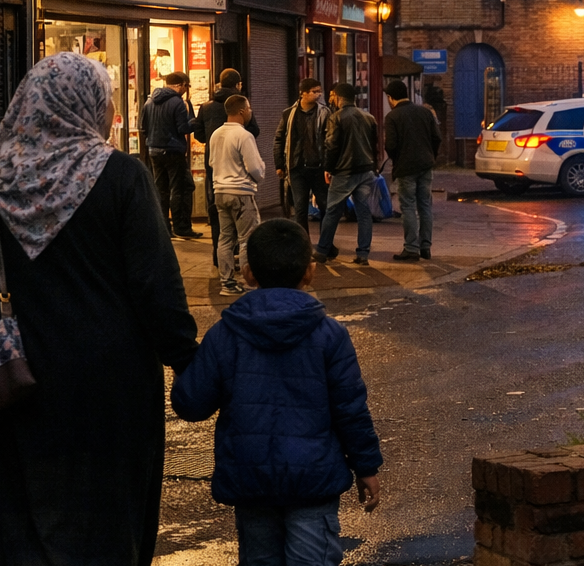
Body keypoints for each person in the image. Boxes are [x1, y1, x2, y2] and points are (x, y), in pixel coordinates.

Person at [0, 52, 198, 566]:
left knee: (20, 516)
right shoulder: (122, 175)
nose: (108, 113)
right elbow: (158, 291)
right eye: (105, 101)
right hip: (112, 385)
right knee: (105, 523)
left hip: (19, 378)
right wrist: (190, 360)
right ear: (83, 106)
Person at [171, 219, 382, 565]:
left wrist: (182, 359)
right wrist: (367, 467)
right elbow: (351, 409)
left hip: (251, 479)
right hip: (313, 481)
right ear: (310, 272)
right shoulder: (330, 336)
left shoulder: (226, 335)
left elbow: (191, 403)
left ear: (248, 273)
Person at [195, 68, 261, 264]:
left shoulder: (206, 107)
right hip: (239, 172)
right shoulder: (241, 105)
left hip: (215, 167)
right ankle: (244, 265)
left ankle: (220, 259)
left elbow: (198, 135)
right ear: (238, 84)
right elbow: (254, 130)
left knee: (218, 216)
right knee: (245, 229)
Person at [317, 83, 380, 266]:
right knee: (364, 213)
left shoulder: (336, 118)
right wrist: (374, 168)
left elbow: (332, 146)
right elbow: (375, 146)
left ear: (337, 97)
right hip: (366, 170)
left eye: (332, 96)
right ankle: (363, 254)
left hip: (345, 171)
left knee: (332, 211)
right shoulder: (369, 117)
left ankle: (322, 250)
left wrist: (328, 168)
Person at [211, 95, 266, 297]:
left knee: (225, 239)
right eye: (249, 108)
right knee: (247, 239)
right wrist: (261, 172)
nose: (251, 111)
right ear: (242, 111)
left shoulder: (216, 134)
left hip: (220, 191)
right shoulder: (244, 136)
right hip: (241, 193)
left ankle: (227, 283)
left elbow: (211, 162)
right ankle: (249, 282)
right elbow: (255, 168)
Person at [384, 79, 441, 261]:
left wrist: (397, 159)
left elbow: (390, 145)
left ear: (390, 98)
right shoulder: (424, 112)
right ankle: (426, 246)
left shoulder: (392, 117)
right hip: (425, 165)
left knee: (407, 206)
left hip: (406, 167)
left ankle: (411, 247)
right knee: (425, 205)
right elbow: (436, 138)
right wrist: (430, 156)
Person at [141, 71, 201, 238]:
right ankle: (181, 227)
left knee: (161, 190)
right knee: (178, 189)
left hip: (154, 151)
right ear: (180, 85)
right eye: (186, 86)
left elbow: (143, 128)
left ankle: (164, 228)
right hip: (173, 151)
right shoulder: (177, 103)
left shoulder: (149, 101)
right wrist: (195, 120)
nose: (186, 89)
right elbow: (183, 128)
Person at [274, 78, 331, 232]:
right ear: (303, 93)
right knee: (300, 208)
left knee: (325, 206)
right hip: (296, 167)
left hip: (318, 167)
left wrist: (329, 165)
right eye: (314, 91)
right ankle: (303, 242)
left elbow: (329, 141)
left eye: (319, 91)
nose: (318, 95)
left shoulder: (324, 112)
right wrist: (279, 164)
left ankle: (326, 244)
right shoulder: (289, 114)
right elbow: (279, 139)